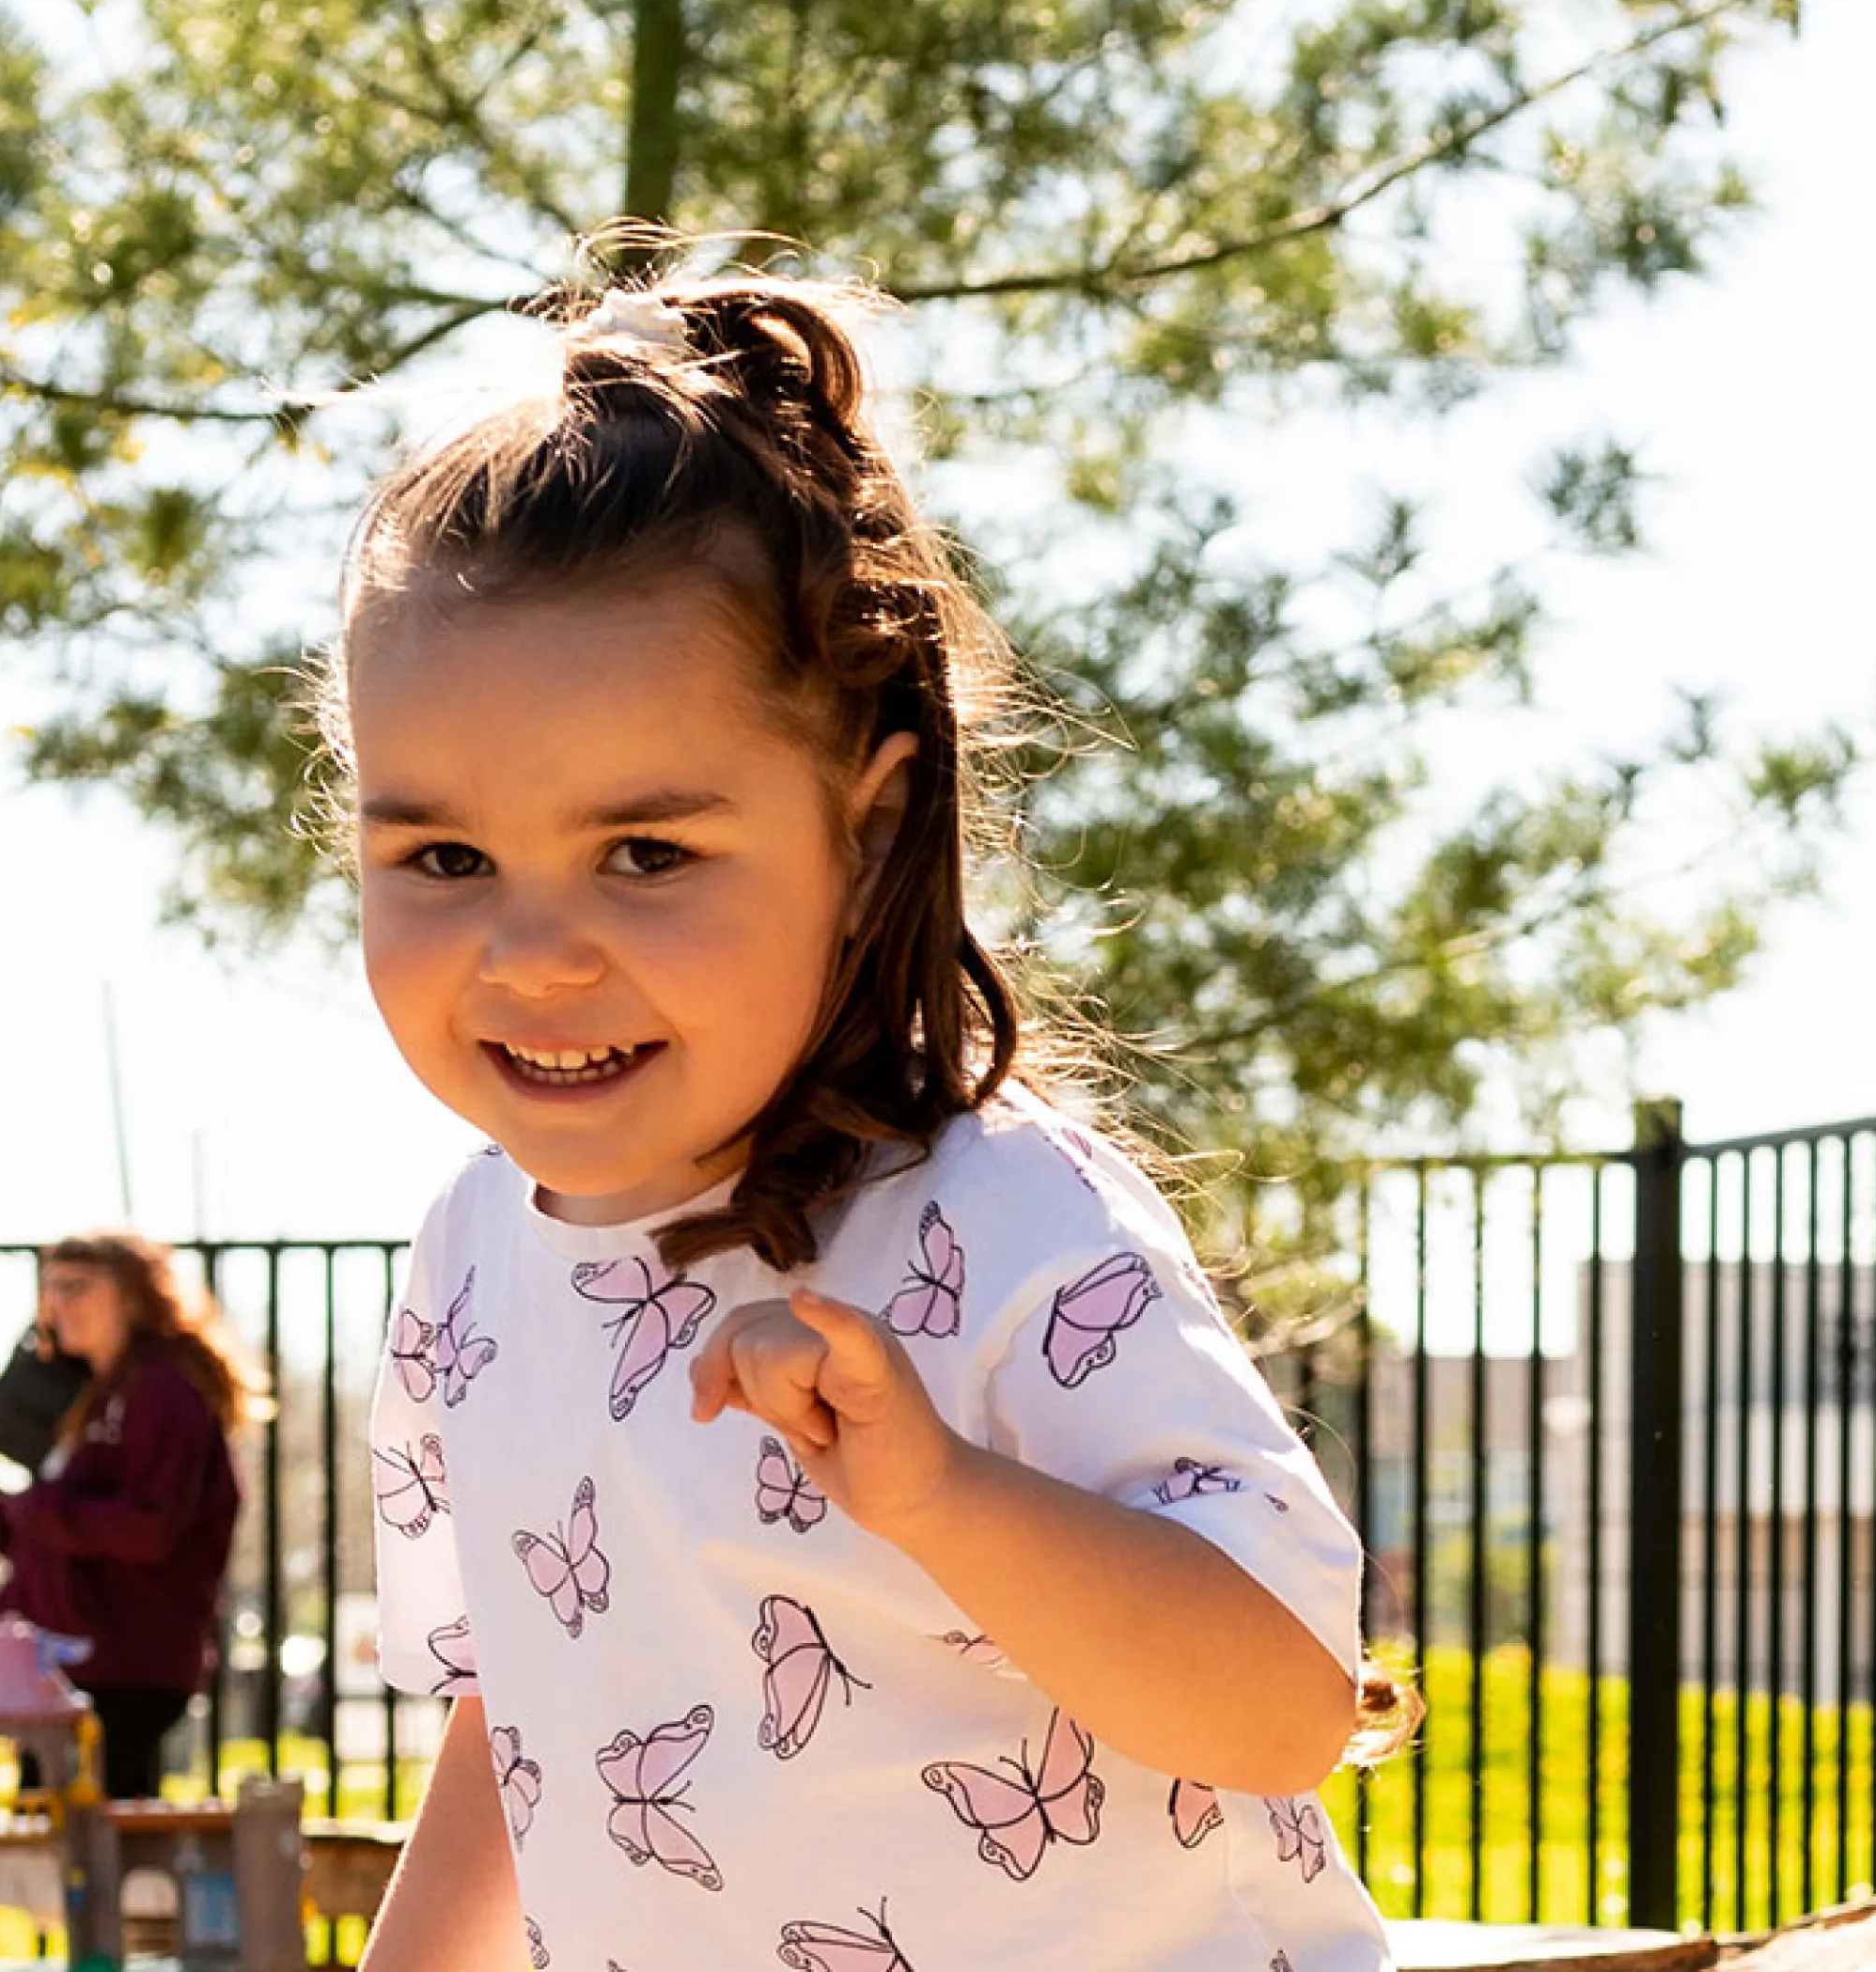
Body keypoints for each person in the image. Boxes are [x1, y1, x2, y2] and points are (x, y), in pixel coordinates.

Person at [345, 274, 1408, 1972]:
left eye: (647, 852)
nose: (533, 955)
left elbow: (1288, 1705)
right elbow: (520, 1721)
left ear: (867, 826)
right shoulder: (468, 1260)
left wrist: (941, 1493)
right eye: (445, 860)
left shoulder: (998, 1213)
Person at [0, 1229, 261, 1799]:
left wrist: (39, 1508)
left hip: (123, 1664)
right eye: (49, 1288)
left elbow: (151, 1526)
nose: (56, 1305)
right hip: (68, 1663)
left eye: (76, 1287)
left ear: (134, 1295)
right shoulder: (88, 1394)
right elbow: (38, 1543)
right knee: (53, 1841)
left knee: (96, 1848)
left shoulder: (163, 1388)